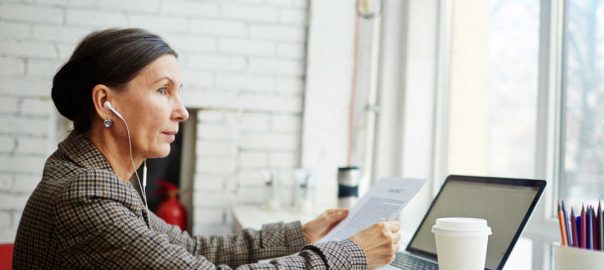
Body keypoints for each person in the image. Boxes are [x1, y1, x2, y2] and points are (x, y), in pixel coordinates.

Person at [12, 28, 401, 269]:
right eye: (163, 90)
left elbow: (191, 248)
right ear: (105, 103)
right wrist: (352, 255)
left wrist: (303, 233)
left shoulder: (96, 178)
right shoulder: (85, 198)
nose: (180, 111)